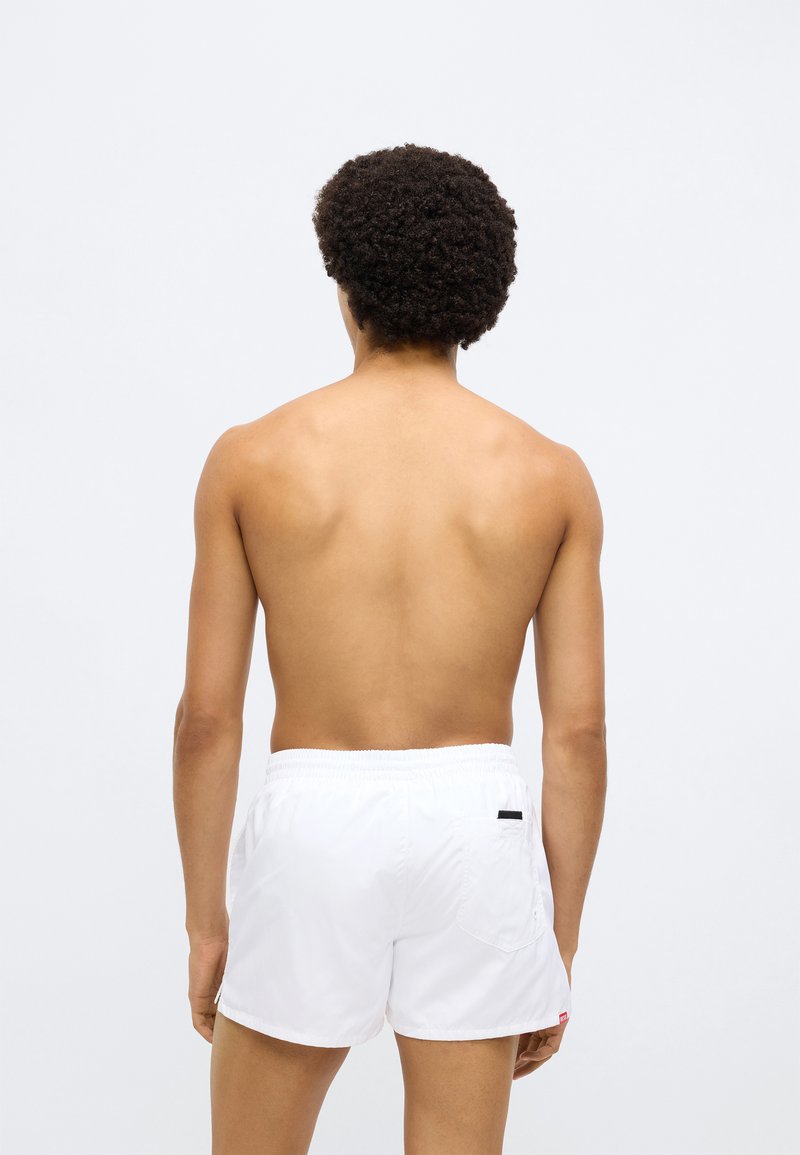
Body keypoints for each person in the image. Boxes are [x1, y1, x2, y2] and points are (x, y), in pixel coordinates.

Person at [173, 142, 607, 1155]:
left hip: (313, 815)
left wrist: (204, 924)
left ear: (344, 285)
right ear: (480, 297)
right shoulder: (550, 475)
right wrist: (557, 939)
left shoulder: (252, 459)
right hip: (477, 823)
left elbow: (207, 719)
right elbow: (578, 735)